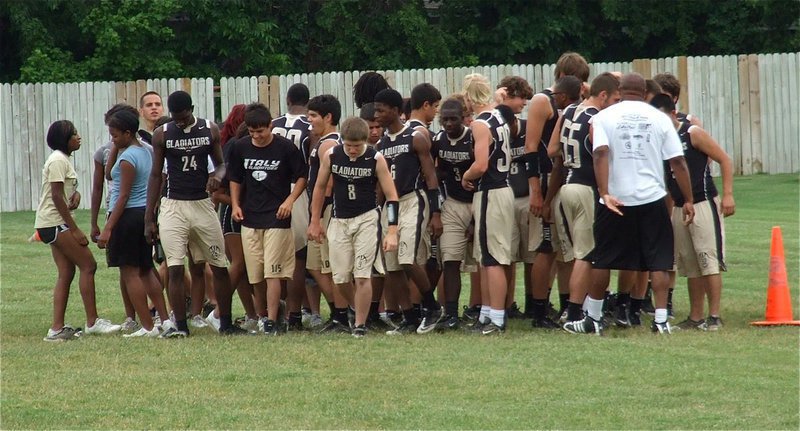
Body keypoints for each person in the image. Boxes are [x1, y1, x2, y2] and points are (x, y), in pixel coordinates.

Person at [564, 73, 695, 336]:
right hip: (652, 196)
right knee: (658, 260)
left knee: (602, 260)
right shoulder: (659, 118)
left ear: (621, 90)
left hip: (615, 198)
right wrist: (688, 198)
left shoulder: (604, 116)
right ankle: (660, 320)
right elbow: (678, 162)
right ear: (644, 91)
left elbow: (601, 153)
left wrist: (604, 192)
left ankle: (594, 318)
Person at [145, 90, 240, 337]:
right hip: (173, 204)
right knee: (175, 267)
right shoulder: (162, 134)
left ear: (193, 109)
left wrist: (216, 177)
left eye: (184, 117)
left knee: (218, 265)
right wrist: (149, 218)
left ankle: (226, 322)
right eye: (176, 117)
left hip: (201, 203)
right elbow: (156, 175)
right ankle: (181, 326)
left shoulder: (209, 130)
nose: (180, 122)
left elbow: (221, 164)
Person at [308, 117, 399, 337]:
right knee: (340, 278)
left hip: (367, 219)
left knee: (362, 274)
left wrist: (392, 231)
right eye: (348, 145)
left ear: (365, 142)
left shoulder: (375, 158)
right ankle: (356, 308)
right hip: (339, 220)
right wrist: (315, 221)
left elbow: (391, 196)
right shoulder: (333, 155)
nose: (352, 150)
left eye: (357, 146)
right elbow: (319, 188)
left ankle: (359, 325)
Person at [651, 94, 735, 331]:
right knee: (690, 264)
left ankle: (714, 315)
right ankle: (695, 316)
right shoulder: (660, 140)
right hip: (680, 206)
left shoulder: (691, 133)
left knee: (709, 260)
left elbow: (724, 159)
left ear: (670, 113)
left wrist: (727, 194)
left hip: (703, 202)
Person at [36, 120, 121, 341]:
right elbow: (55, 196)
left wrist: (75, 196)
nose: (78, 137)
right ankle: (92, 322)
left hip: (51, 222)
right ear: (64, 139)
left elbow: (60, 192)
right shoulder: (57, 160)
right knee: (88, 265)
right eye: (74, 134)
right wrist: (74, 230)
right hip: (55, 223)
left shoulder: (62, 160)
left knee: (67, 272)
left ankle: (56, 329)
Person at [547, 72, 620, 324]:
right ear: (602, 95)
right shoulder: (597, 118)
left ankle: (575, 307)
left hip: (567, 185)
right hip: (587, 187)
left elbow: (552, 149)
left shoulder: (568, 111)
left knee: (579, 252)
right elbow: (601, 152)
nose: (615, 104)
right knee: (586, 254)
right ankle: (576, 311)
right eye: (614, 99)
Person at [228, 102, 308, 335]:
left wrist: (289, 201)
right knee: (256, 274)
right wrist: (235, 205)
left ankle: (272, 320)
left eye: (261, 131)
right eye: (252, 132)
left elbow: (302, 176)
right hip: (250, 218)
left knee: (273, 271)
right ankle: (263, 315)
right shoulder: (240, 147)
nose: (257, 136)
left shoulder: (285, 148)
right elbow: (235, 178)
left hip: (277, 218)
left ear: (270, 126)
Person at [524, 53, 591, 324]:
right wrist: (536, 193)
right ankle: (538, 309)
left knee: (569, 249)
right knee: (547, 246)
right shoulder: (544, 101)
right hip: (546, 177)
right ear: (563, 76)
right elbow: (530, 148)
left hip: (568, 180)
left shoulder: (578, 104)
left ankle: (566, 306)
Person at [372, 88, 443, 335]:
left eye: (381, 109)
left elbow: (431, 176)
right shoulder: (381, 143)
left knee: (407, 257)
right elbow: (381, 182)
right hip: (391, 206)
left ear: (394, 110)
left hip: (414, 199)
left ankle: (432, 307)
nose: (376, 114)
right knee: (392, 266)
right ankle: (409, 317)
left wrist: (436, 213)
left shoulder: (415, 137)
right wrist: (375, 210)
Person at [97, 110, 169, 337]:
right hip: (143, 215)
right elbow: (109, 174)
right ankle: (165, 321)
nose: (112, 140)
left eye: (115, 136)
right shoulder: (146, 151)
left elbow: (123, 196)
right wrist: (117, 147)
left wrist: (108, 228)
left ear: (128, 133)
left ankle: (147, 326)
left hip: (126, 216)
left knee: (130, 273)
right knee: (146, 268)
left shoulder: (128, 159)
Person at [459, 73, 515, 335]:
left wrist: (466, 177)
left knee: (491, 258)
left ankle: (497, 318)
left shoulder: (481, 124)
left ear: (470, 96)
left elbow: (481, 164)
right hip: (504, 187)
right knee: (490, 256)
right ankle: (487, 314)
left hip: (491, 191)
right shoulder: (499, 117)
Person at [208, 104, 259, 332]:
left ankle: (252, 314)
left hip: (245, 215)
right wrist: (241, 205)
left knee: (246, 268)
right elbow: (218, 192)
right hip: (233, 216)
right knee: (238, 264)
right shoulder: (233, 150)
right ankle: (220, 312)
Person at [305, 94, 350, 333]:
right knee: (314, 265)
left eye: (313, 116)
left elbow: (328, 185)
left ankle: (343, 314)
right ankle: (338, 311)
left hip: (327, 211)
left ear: (328, 117)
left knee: (329, 267)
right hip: (320, 211)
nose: (309, 120)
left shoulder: (329, 144)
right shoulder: (323, 141)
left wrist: (316, 219)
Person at [271, 83, 314, 330]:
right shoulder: (310, 126)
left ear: (287, 100)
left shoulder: (273, 123)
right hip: (298, 191)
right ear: (307, 103)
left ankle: (273, 312)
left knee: (274, 254)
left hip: (270, 191)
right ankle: (295, 315)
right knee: (298, 257)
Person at [432, 98, 475, 330]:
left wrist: (475, 222)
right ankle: (451, 314)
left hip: (478, 201)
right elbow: (435, 173)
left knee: (486, 262)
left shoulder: (473, 137)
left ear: (464, 117)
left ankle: (489, 311)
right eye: (444, 119)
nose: (448, 123)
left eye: (453, 119)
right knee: (450, 260)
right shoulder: (438, 140)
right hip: (453, 203)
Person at [495, 76, 535, 320]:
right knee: (506, 257)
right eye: (521, 98)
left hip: (526, 197)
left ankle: (533, 302)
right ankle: (506, 304)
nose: (524, 103)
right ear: (508, 95)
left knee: (531, 255)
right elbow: (508, 129)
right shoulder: (494, 122)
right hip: (505, 197)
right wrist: (498, 104)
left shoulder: (527, 125)